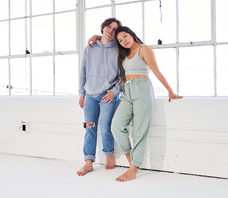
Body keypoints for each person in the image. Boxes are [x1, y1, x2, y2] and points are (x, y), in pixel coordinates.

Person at [111, 26, 183, 182]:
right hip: (127, 91)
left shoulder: (144, 49)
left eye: (125, 36)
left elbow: (156, 71)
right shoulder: (124, 53)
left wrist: (170, 91)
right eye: (120, 40)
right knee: (116, 126)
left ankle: (133, 170)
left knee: (139, 131)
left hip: (142, 89)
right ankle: (132, 161)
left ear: (131, 33)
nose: (124, 41)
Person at [77, 18, 122, 176]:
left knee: (104, 126)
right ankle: (88, 162)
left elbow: (123, 76)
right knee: (90, 127)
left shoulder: (118, 50)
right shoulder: (90, 47)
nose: (111, 30)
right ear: (103, 27)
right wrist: (82, 94)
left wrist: (114, 92)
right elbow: (83, 71)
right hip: (90, 94)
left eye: (115, 29)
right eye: (109, 26)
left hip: (108, 95)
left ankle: (109, 154)